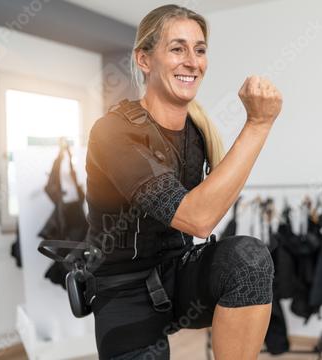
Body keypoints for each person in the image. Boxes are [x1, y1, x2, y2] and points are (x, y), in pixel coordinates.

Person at [84, 4, 283, 360]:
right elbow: (197, 217)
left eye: (200, 49)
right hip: (124, 290)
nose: (192, 61)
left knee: (250, 258)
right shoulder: (113, 133)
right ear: (144, 60)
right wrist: (258, 124)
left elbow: (207, 216)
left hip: (178, 276)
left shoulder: (197, 131)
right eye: (177, 48)